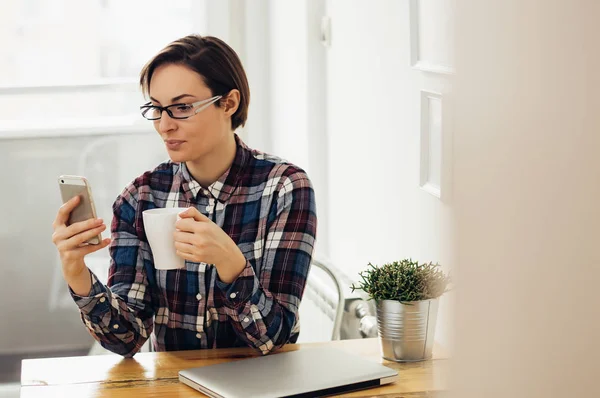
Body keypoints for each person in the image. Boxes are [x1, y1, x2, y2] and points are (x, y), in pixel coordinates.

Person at [51, 35, 317, 358]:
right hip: (175, 387)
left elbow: (274, 339)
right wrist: (77, 274)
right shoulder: (139, 198)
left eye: (181, 107)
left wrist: (229, 263)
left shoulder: (284, 189)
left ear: (229, 103)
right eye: (157, 109)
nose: (164, 125)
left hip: (264, 386)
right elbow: (127, 338)